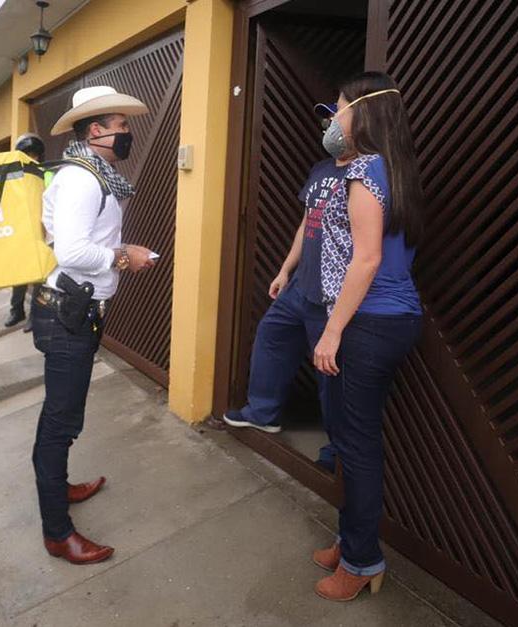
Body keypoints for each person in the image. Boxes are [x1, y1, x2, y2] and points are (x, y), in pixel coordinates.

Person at [307, 71, 424, 601]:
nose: (333, 119)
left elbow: (367, 259)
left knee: (355, 445)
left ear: (363, 112)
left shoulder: (363, 172)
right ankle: (348, 540)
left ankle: (360, 561)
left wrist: (332, 331)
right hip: (390, 318)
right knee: (351, 437)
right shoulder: (394, 168)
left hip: (367, 322)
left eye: (339, 108)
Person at [30, 86, 156, 565]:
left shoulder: (92, 174)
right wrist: (126, 256)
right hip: (67, 313)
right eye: (121, 126)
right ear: (97, 130)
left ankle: (59, 487)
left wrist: (116, 256)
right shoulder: (82, 180)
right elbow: (71, 251)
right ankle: (57, 533)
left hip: (76, 310)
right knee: (59, 422)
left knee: (66, 415)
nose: (127, 134)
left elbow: (58, 233)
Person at [221, 106, 346, 472]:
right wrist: (285, 270)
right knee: (271, 336)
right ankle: (262, 413)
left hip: (330, 294)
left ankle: (337, 451)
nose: (330, 126)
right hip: (299, 285)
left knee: (330, 374)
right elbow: (307, 223)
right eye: (327, 120)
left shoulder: (364, 174)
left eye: (336, 118)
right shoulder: (321, 169)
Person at [5, 133, 47, 330]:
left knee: (39, 273)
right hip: (20, 229)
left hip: (41, 228)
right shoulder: (12, 177)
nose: (31, 158)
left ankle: (34, 314)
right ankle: (16, 310)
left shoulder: (46, 174)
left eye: (34, 154)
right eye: (27, 154)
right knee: (19, 271)